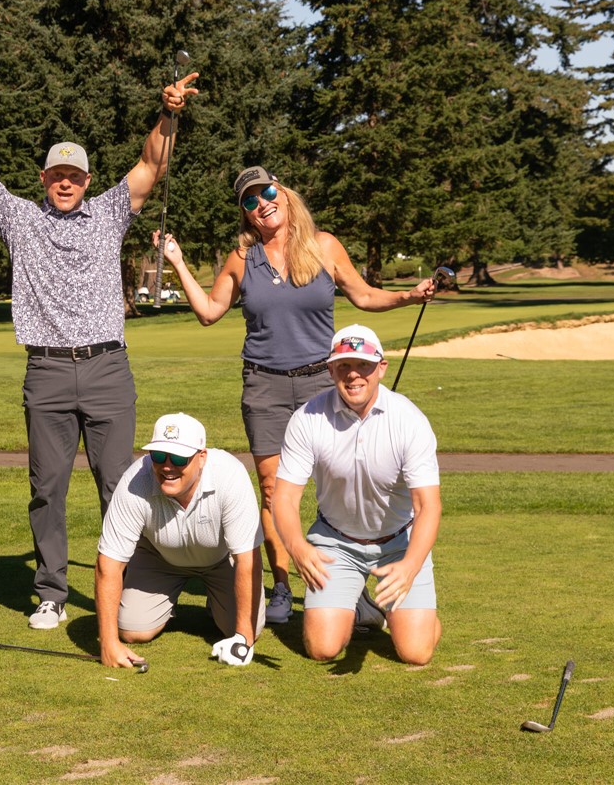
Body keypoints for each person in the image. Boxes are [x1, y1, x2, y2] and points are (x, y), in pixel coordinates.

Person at [0, 55, 200, 630]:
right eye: (57, 174)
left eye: (75, 175)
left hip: (107, 367)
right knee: (47, 490)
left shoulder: (110, 212)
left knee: (121, 486)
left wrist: (167, 114)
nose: (65, 182)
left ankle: (127, 584)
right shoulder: (19, 219)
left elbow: (150, 165)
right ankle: (51, 593)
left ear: (87, 180)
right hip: (48, 372)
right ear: (43, 179)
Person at [156, 166, 437, 626]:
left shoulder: (323, 246)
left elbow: (364, 296)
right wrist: (177, 261)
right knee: (273, 491)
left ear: (284, 195)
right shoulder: (242, 258)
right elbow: (209, 311)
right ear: (246, 213)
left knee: (339, 478)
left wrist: (409, 296)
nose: (262, 203)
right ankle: (284, 586)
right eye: (250, 200)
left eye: (267, 192)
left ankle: (348, 587)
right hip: (264, 384)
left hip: (322, 384)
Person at [271, 324, 443, 665]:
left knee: (416, 653)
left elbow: (428, 507)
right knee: (323, 649)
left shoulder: (409, 419)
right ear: (331, 369)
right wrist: (298, 548)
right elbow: (284, 498)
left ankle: (408, 615)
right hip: (336, 542)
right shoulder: (307, 418)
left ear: (381, 368)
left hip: (399, 543)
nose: (353, 375)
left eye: (363, 365)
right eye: (344, 365)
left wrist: (410, 565)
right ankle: (362, 602)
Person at [95, 413, 266, 668]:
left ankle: (216, 602)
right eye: (158, 455)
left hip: (221, 559)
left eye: (178, 458)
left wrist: (243, 639)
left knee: (244, 627)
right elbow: (108, 564)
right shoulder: (134, 482)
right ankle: (168, 600)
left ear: (202, 457)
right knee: (132, 630)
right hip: (159, 558)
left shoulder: (230, 475)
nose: (167, 466)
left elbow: (248, 559)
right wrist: (108, 644)